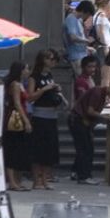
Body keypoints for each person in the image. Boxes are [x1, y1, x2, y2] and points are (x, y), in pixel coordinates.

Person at [25, 49, 64, 190]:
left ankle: (45, 178)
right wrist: (43, 89)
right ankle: (37, 180)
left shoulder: (49, 75)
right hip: (40, 116)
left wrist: (55, 89)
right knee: (38, 150)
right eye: (50, 59)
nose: (53, 62)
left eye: (54, 59)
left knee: (49, 150)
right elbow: (30, 97)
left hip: (51, 115)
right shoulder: (33, 77)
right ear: (43, 60)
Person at [2, 60, 33, 191]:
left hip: (22, 115)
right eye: (26, 69)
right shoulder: (15, 85)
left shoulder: (21, 84)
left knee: (19, 150)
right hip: (15, 118)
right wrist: (25, 120)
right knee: (12, 150)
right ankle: (12, 181)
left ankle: (16, 180)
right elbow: (17, 103)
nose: (27, 71)